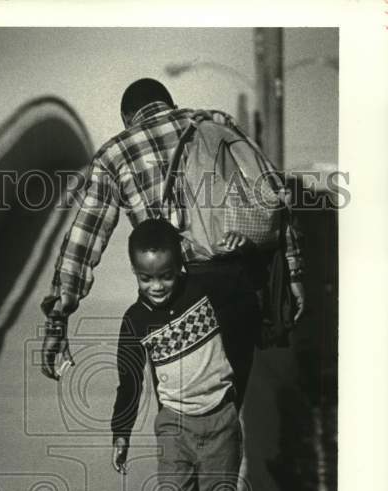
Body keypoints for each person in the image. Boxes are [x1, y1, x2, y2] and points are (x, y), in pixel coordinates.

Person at [39, 76, 305, 380]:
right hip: (236, 287)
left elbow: (82, 243)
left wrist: (57, 320)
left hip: (172, 297)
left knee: (177, 415)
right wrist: (293, 272)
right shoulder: (213, 122)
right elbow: (273, 191)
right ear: (171, 105)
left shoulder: (116, 154)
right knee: (227, 412)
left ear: (127, 119)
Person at [113, 218, 252, 491]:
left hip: (221, 422)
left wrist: (238, 248)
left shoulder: (206, 290)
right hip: (174, 424)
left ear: (182, 266)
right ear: (135, 272)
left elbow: (245, 286)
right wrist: (121, 431)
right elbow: (130, 380)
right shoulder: (136, 321)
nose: (157, 286)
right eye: (146, 277)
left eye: (166, 275)